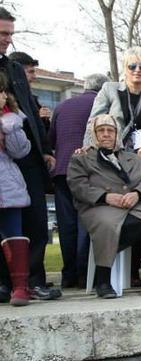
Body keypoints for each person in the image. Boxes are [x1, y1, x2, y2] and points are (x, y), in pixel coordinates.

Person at [68, 114, 141, 298]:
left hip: (134, 204)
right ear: (93, 134)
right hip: (99, 206)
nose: (106, 135)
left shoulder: (132, 158)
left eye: (110, 131)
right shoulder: (82, 158)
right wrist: (106, 196)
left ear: (117, 134)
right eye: (101, 131)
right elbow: (78, 185)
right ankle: (103, 281)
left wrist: (137, 194)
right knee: (109, 225)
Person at [0, 8, 60, 300]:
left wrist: (46, 149)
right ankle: (6, 283)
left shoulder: (13, 68)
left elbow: (30, 114)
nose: (7, 40)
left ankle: (34, 281)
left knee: (36, 220)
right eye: (2, 34)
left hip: (28, 155)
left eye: (10, 34)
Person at [49, 73, 108, 289]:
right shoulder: (102, 105)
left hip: (63, 170)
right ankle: (84, 272)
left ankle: (69, 274)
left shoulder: (63, 106)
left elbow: (52, 139)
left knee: (66, 225)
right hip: (91, 171)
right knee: (87, 222)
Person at [87, 47, 141, 160]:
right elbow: (93, 122)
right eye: (132, 66)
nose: (137, 70)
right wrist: (89, 149)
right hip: (110, 154)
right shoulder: (109, 89)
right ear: (125, 69)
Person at [0, 80, 35, 305]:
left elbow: (21, 150)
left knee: (14, 233)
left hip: (6, 181)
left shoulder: (11, 118)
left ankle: (20, 287)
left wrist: (8, 123)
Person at [7, 51, 50, 132]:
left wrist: (43, 120)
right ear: (17, 72)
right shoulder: (5, 100)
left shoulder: (33, 101)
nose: (34, 77)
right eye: (30, 72)